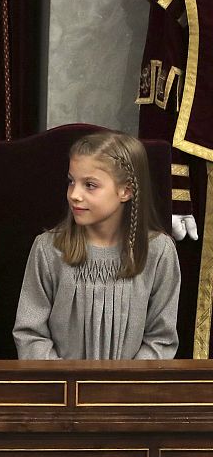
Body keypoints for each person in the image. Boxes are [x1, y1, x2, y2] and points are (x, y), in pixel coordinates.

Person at [13, 131, 181, 360]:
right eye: (71, 182)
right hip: (61, 390)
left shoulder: (159, 252)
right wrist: (68, 386)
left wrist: (120, 389)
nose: (74, 195)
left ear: (126, 191)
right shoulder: (48, 249)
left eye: (90, 185)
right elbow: (30, 335)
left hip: (129, 392)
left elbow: (161, 340)